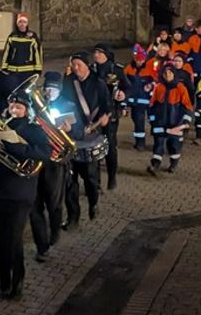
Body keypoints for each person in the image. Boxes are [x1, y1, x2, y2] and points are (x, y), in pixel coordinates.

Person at [0, 92, 49, 299]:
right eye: (12, 107)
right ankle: (3, 281)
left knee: (13, 239)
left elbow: (44, 153)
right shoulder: (2, 128)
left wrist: (17, 148)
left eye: (19, 108)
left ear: (26, 110)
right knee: (0, 238)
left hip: (21, 192)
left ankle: (16, 283)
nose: (14, 111)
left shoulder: (34, 130)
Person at [62, 51, 111, 228]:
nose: (76, 68)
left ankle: (93, 202)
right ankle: (73, 216)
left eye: (79, 65)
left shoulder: (98, 83)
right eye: (73, 65)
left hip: (90, 136)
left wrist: (106, 117)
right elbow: (62, 103)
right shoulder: (68, 82)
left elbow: (107, 105)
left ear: (87, 65)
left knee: (90, 178)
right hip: (72, 136)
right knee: (69, 181)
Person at [30, 71, 70, 261]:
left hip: (55, 164)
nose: (49, 92)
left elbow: (77, 131)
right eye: (47, 89)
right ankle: (42, 245)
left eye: (53, 89)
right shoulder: (36, 107)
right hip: (37, 161)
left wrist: (69, 128)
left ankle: (55, 230)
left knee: (53, 203)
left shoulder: (67, 106)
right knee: (34, 205)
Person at [92, 42, 130, 190]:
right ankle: (97, 182)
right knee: (95, 147)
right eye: (95, 52)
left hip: (111, 113)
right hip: (94, 114)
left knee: (110, 146)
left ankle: (112, 176)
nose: (96, 55)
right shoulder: (91, 69)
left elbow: (127, 87)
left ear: (106, 55)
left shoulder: (116, 69)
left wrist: (124, 95)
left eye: (99, 53)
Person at [147, 63, 193, 175]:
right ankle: (155, 164)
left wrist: (185, 122)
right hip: (160, 122)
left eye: (170, 72)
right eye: (165, 73)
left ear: (174, 74)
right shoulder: (159, 87)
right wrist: (152, 120)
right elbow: (152, 105)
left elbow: (187, 106)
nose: (167, 75)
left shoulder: (181, 88)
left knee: (174, 145)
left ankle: (173, 163)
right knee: (158, 144)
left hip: (175, 123)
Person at [123, 45, 156, 150]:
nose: (140, 62)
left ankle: (158, 143)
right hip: (136, 102)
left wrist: (151, 85)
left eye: (142, 60)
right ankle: (140, 143)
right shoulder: (128, 69)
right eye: (138, 59)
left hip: (149, 101)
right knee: (138, 122)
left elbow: (157, 81)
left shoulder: (150, 68)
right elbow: (124, 85)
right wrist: (125, 103)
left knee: (155, 122)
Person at [1, 13, 43, 86]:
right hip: (13, 70)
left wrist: (38, 69)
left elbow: (37, 53)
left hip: (28, 70)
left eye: (24, 22)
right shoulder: (12, 36)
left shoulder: (32, 36)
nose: (22, 24)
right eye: (20, 22)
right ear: (17, 24)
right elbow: (6, 52)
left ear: (27, 24)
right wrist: (4, 67)